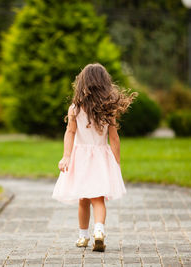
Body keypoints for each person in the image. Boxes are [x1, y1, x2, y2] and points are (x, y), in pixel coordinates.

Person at [52, 63, 138, 252]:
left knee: (83, 199)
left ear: (82, 83)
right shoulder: (108, 109)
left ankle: (83, 237)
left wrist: (67, 156)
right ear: (104, 84)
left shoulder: (75, 108)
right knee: (98, 199)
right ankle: (99, 231)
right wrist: (116, 162)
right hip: (100, 158)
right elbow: (114, 137)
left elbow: (70, 132)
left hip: (80, 158)